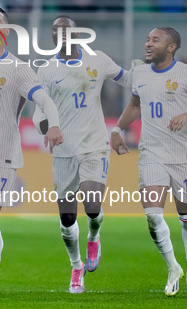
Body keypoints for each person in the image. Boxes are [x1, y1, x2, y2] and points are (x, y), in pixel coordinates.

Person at [111, 27, 187, 299]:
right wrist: (117, 129)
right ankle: (173, 268)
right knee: (153, 215)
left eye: (155, 40)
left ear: (171, 47)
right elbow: (135, 105)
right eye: (147, 39)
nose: (148, 44)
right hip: (151, 154)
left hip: (183, 157)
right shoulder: (140, 74)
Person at [33, 15, 132, 294]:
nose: (61, 34)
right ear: (52, 38)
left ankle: (94, 234)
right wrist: (49, 126)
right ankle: (76, 267)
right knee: (66, 220)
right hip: (63, 150)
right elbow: (38, 111)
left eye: (67, 29)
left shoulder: (98, 60)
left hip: (94, 144)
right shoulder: (47, 70)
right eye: (56, 31)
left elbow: (128, 80)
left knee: (91, 203)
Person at [0, 7, 63, 298]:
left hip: (3, 154)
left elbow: (44, 99)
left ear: (7, 32)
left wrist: (54, 125)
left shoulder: (18, 68)